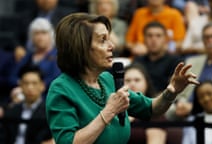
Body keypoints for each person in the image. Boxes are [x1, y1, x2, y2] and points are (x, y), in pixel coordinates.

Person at [45, 13, 199, 144]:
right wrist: (109, 111)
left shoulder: (107, 80)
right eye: (102, 40)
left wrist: (172, 91)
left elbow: (151, 110)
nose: (111, 45)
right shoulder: (61, 88)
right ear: (80, 46)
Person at [166, 22, 212, 120]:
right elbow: (182, 92)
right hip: (183, 110)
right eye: (206, 37)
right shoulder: (191, 61)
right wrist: (181, 103)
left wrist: (193, 108)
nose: (210, 40)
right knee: (162, 111)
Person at [9, 18, 61, 99]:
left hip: (47, 97)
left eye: (44, 33)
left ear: (51, 35)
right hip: (24, 95)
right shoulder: (28, 56)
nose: (40, 37)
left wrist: (30, 87)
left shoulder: (57, 56)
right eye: (36, 33)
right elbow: (12, 77)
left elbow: (54, 80)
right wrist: (24, 86)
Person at [1, 65, 53, 144]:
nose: (30, 87)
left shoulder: (49, 112)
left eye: (34, 83)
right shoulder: (12, 110)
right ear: (20, 85)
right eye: (26, 83)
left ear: (42, 86)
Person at [133, 21, 182, 92]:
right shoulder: (138, 60)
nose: (154, 39)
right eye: (149, 36)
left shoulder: (175, 61)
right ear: (144, 39)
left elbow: (174, 87)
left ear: (165, 39)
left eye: (158, 36)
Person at [124, 63, 167, 144]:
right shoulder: (113, 111)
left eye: (137, 80)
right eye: (127, 80)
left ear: (147, 83)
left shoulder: (154, 111)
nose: (132, 84)